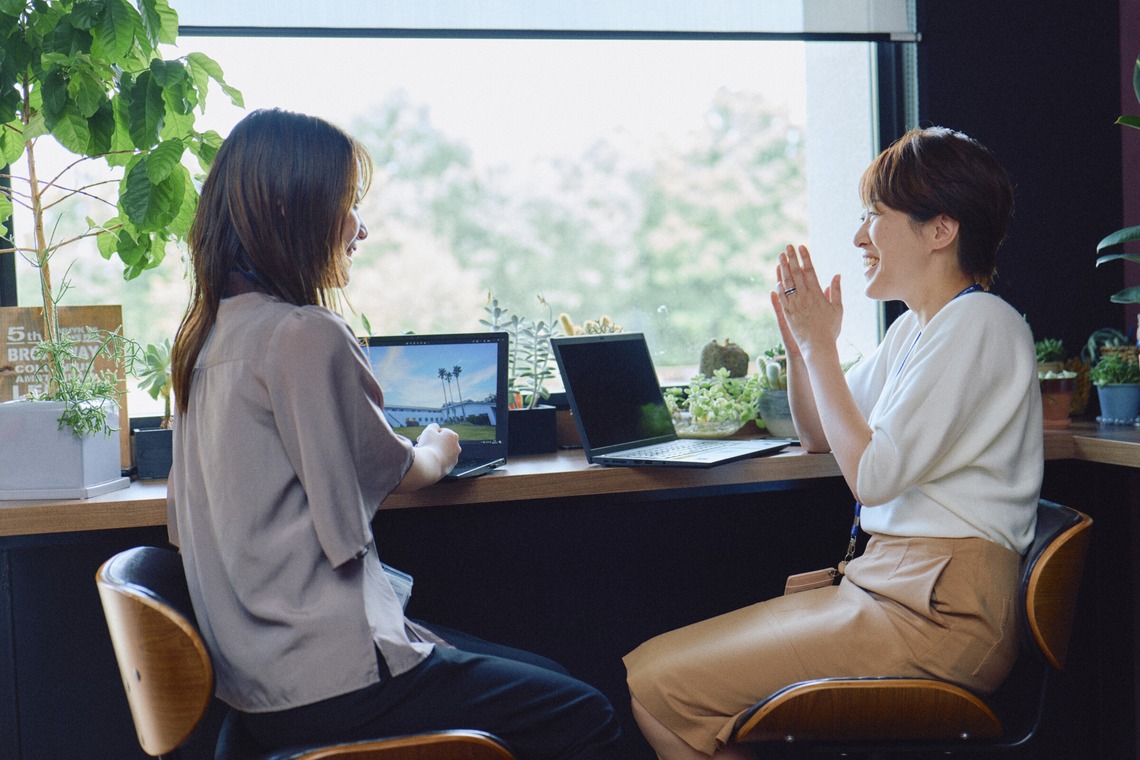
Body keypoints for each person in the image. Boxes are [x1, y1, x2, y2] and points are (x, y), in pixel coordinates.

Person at [167, 108, 621, 760]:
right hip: (332, 680)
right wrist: (437, 445)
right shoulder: (305, 334)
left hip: (257, 689)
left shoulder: (204, 342)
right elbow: (400, 470)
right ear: (290, 210)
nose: (361, 228)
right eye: (348, 205)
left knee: (539, 673)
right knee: (585, 710)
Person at [623, 127, 1043, 759]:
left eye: (875, 215)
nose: (858, 237)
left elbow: (871, 476)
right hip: (888, 592)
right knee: (650, 677)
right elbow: (818, 433)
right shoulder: (918, 330)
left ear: (940, 230)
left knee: (660, 688)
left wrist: (823, 346)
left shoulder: (981, 323)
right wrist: (801, 348)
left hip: (939, 619)